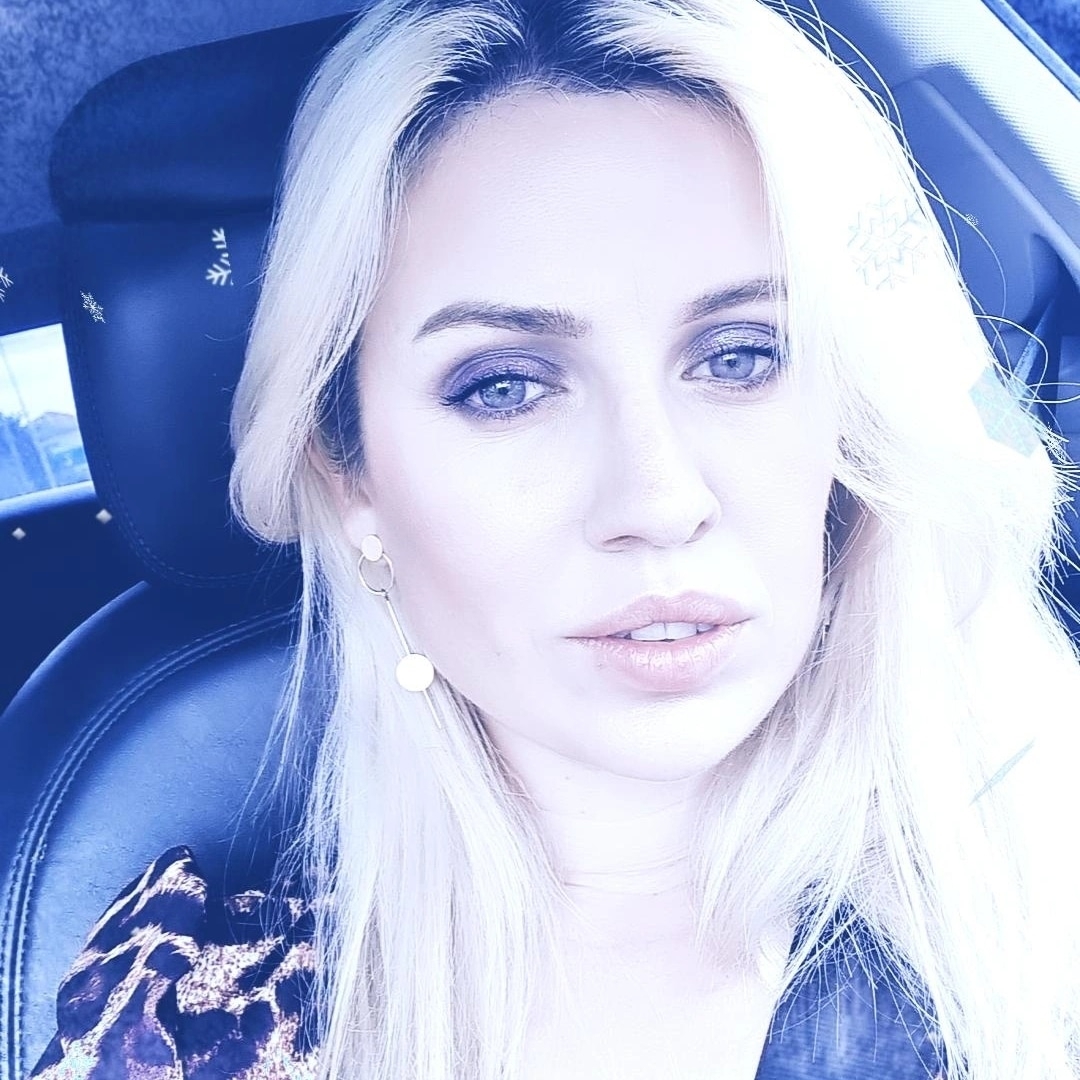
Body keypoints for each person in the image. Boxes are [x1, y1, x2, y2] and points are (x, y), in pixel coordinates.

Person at [27, 0, 1080, 1077]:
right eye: (505, 386)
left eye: (740, 356)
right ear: (352, 479)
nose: (661, 499)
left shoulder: (1043, 931)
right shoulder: (188, 1030)